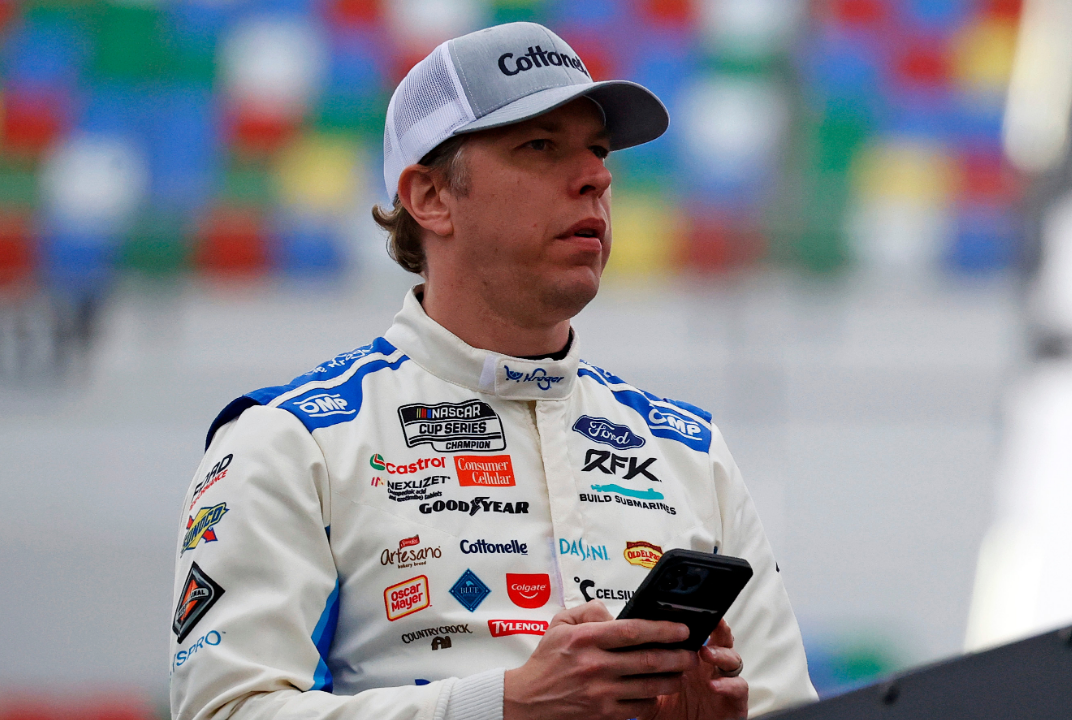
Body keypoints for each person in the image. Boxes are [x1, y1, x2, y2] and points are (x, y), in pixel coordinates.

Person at [170, 21, 818, 720]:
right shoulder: (292, 441)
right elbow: (226, 711)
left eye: (598, 151)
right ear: (430, 198)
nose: (596, 176)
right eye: (540, 146)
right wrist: (503, 706)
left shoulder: (690, 450)